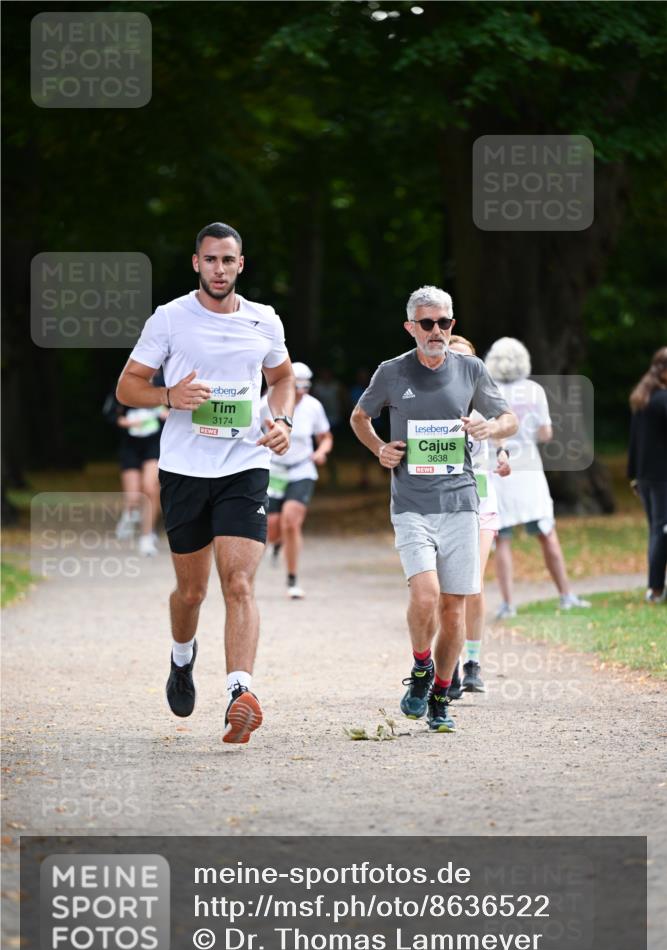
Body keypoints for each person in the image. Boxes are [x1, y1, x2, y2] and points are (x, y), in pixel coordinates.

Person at [116, 222, 295, 743]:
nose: (220, 269)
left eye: (229, 260)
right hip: (184, 469)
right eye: (211, 260)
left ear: (242, 265)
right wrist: (170, 395)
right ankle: (181, 658)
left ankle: (241, 693)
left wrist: (280, 422)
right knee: (191, 592)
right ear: (196, 263)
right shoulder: (170, 319)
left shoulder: (264, 321)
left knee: (238, 582)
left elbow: (281, 380)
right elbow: (128, 387)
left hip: (244, 465)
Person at [350, 286, 518, 733]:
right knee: (425, 596)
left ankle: (442, 692)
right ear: (411, 328)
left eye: (444, 323)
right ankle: (421, 668)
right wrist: (380, 449)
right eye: (427, 323)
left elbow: (509, 419)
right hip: (411, 504)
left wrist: (488, 425)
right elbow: (359, 418)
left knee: (453, 609)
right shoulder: (392, 372)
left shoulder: (471, 369)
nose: (437, 331)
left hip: (461, 502)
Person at [484, 337, 591, 618]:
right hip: (529, 469)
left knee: (502, 538)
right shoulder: (533, 390)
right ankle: (566, 594)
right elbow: (546, 434)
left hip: (497, 469)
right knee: (546, 532)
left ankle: (508, 604)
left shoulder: (488, 390)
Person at [447, 335, 511, 697]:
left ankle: (472, 663)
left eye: (468, 360)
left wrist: (502, 455)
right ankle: (449, 664)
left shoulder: (481, 401)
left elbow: (501, 427)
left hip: (481, 499)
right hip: (442, 502)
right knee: (447, 588)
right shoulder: (433, 405)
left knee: (472, 580)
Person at [261, 362, 333, 599]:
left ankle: (292, 579)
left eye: (305, 386)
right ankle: (277, 543)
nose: (301, 391)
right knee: (273, 527)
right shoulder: (267, 403)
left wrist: (321, 451)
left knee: (291, 522)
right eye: (297, 386)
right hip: (275, 470)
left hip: (302, 469)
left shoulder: (314, 407)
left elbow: (325, 436)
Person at [112, 372, 168, 556]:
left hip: (154, 444)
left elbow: (178, 410)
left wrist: (166, 414)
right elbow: (112, 414)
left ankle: (146, 536)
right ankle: (129, 514)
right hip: (131, 446)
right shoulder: (126, 381)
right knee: (133, 496)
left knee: (150, 488)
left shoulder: (166, 382)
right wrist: (126, 422)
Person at [628, 346, 667, 604]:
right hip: (662, 476)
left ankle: (655, 587)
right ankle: (655, 589)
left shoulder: (643, 396)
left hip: (645, 476)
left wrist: (633, 474)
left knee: (657, 530)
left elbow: (634, 440)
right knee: (662, 531)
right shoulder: (662, 400)